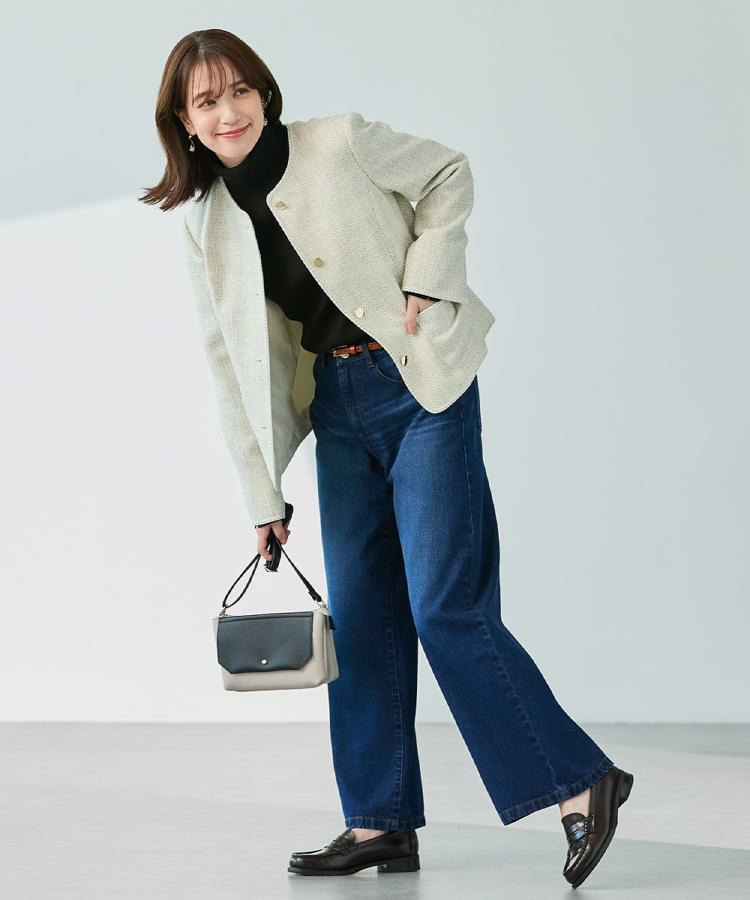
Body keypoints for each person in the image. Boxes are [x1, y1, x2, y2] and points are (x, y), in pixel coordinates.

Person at [141, 28, 634, 888]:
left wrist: (428, 276)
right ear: (184, 122)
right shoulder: (206, 225)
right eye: (206, 101)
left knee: (445, 606)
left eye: (240, 91)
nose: (229, 112)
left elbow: (447, 173)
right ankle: (379, 820)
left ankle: (579, 783)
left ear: (265, 94)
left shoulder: (339, 142)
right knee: (363, 619)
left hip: (419, 385)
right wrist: (262, 495)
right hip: (336, 409)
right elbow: (229, 362)